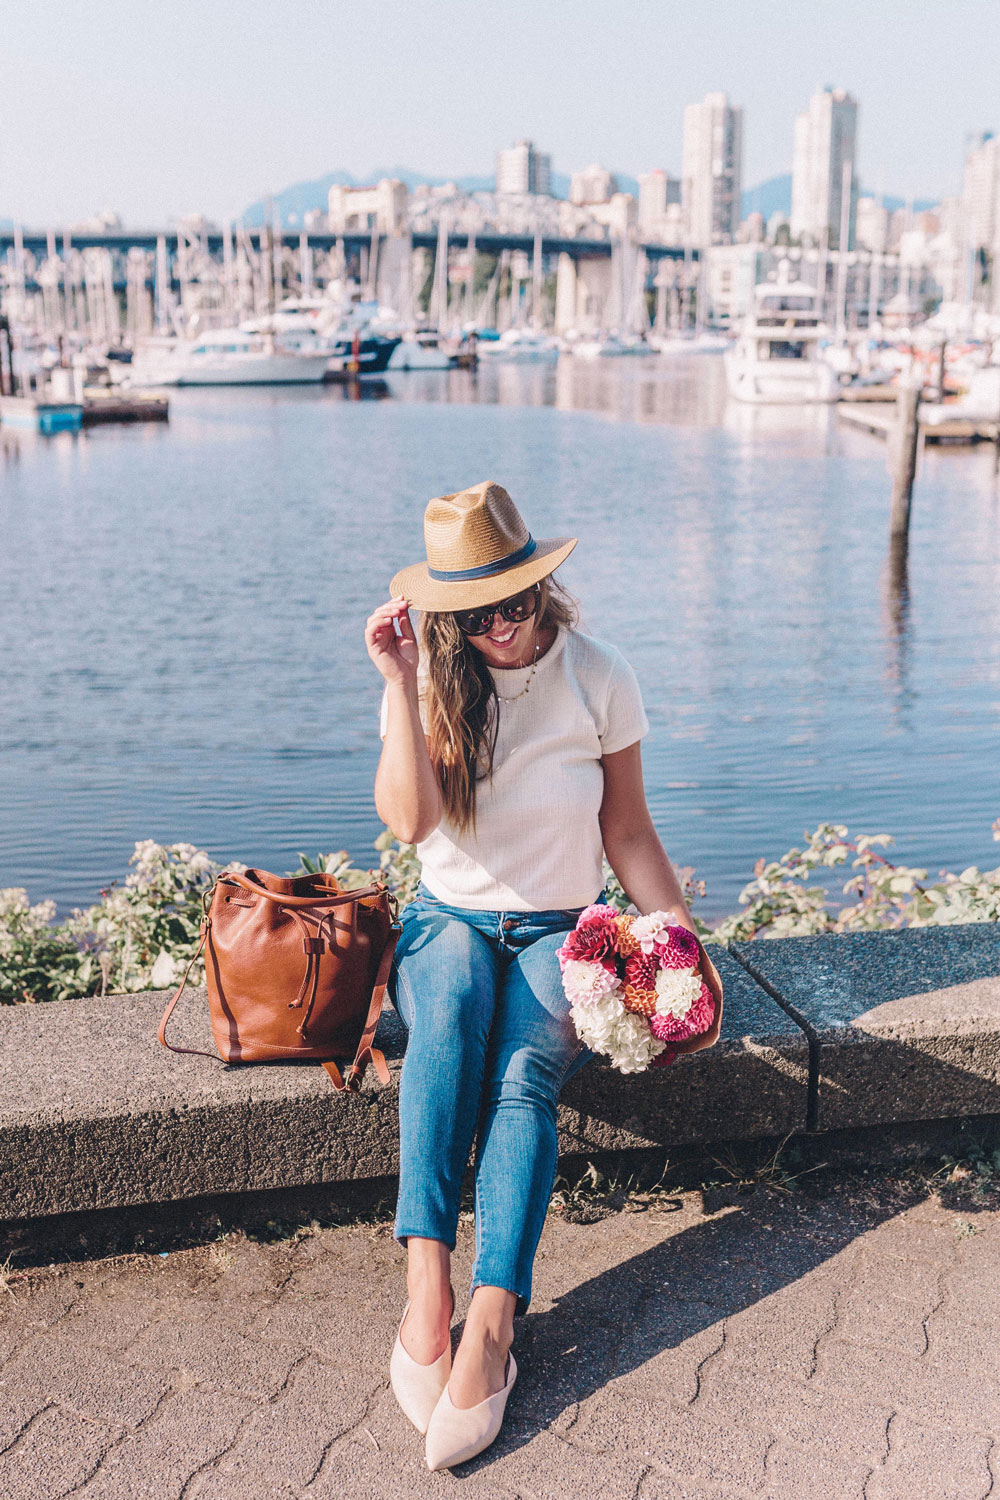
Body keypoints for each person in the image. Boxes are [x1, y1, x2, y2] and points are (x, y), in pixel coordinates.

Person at [364, 480, 718, 1471]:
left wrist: (680, 951)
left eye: (514, 601)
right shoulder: (432, 677)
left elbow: (628, 830)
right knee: (445, 1026)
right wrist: (399, 681)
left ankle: (491, 1322)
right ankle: (425, 1285)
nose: (501, 625)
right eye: (475, 612)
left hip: (566, 930)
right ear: (448, 613)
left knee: (522, 1074)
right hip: (448, 919)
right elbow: (409, 824)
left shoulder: (599, 674)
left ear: (540, 584)